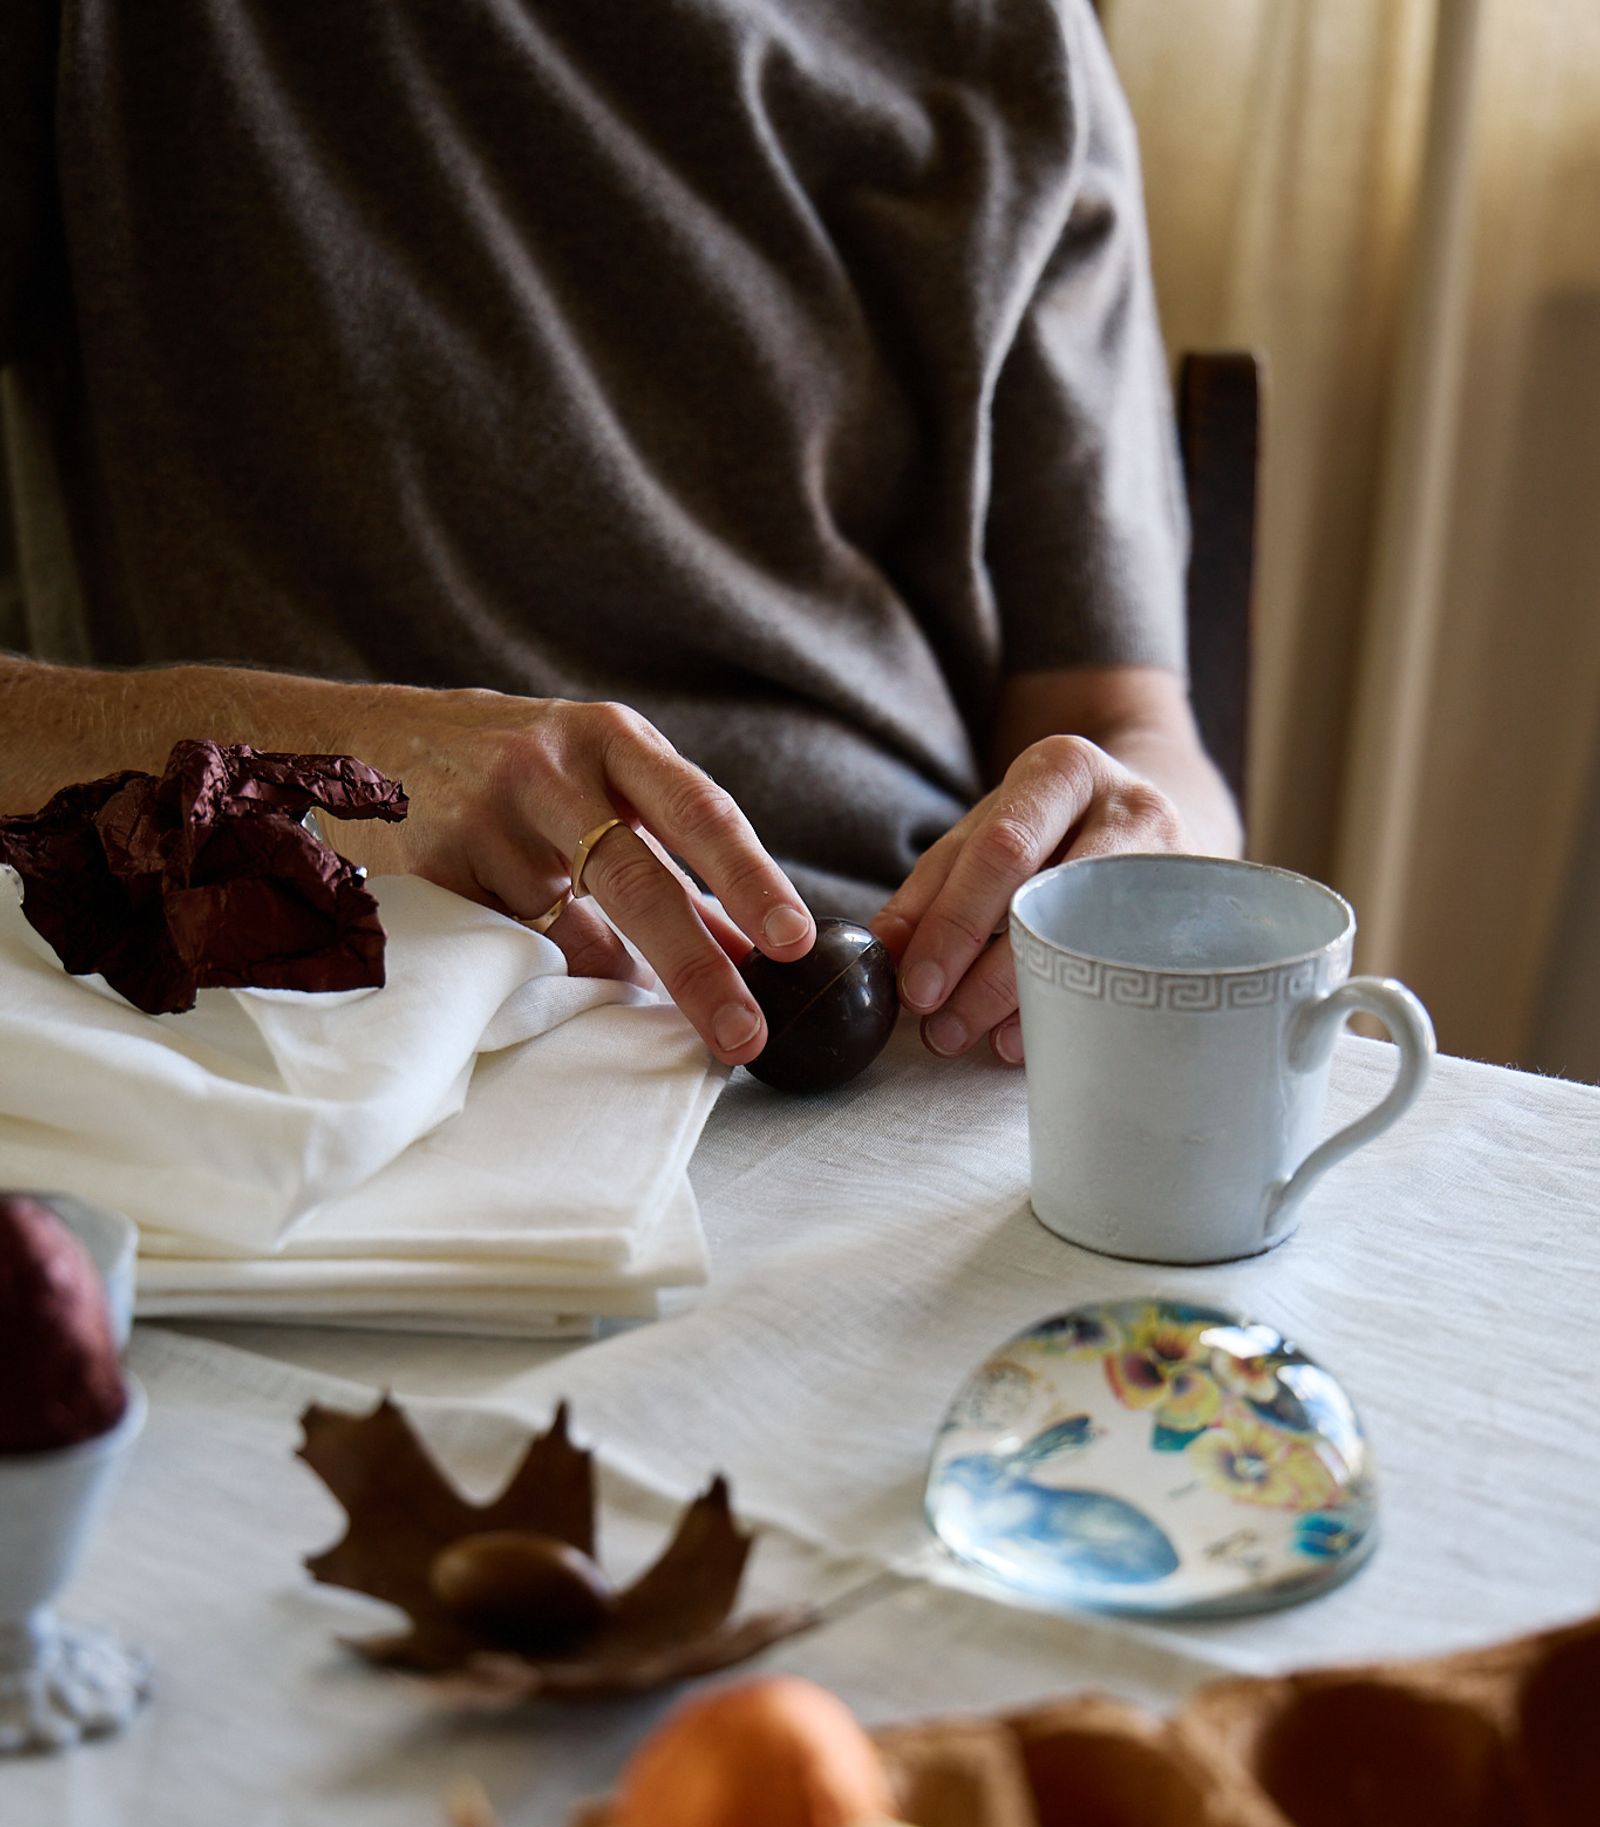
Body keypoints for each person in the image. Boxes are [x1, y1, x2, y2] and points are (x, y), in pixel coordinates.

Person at [0, 0, 1239, 1070]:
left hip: (920, 1034)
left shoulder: (1007, 38)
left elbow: (1133, 731)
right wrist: (305, 765)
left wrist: (1130, 847)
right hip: (344, 1017)